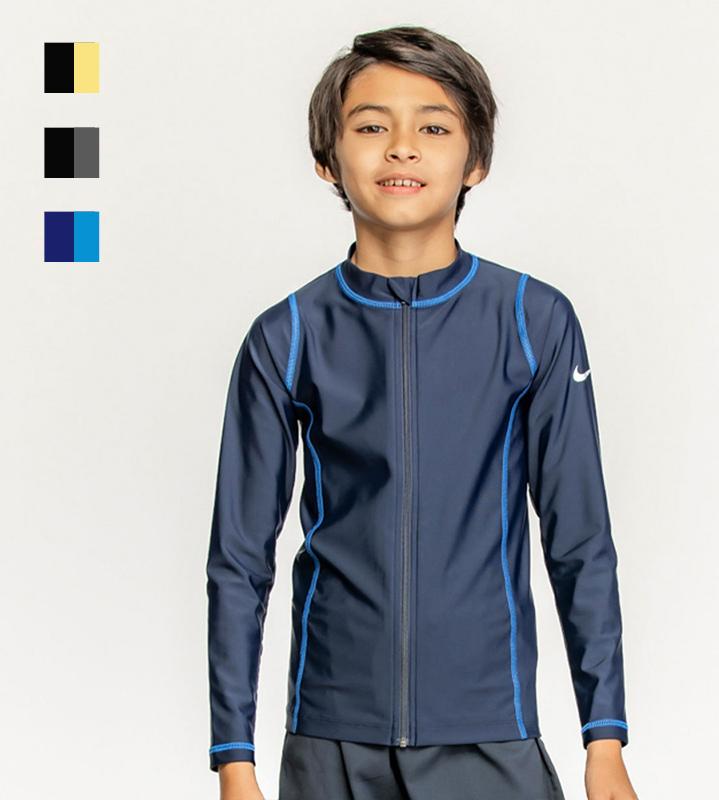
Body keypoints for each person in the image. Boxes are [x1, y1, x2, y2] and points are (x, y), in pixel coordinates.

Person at [206, 25, 638, 800]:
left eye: (433, 128)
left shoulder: (531, 321)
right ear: (327, 158)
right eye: (371, 126)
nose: (402, 147)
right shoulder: (289, 336)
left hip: (489, 731)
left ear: (475, 160)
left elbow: (580, 539)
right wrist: (234, 757)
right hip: (332, 740)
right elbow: (239, 560)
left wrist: (603, 737)